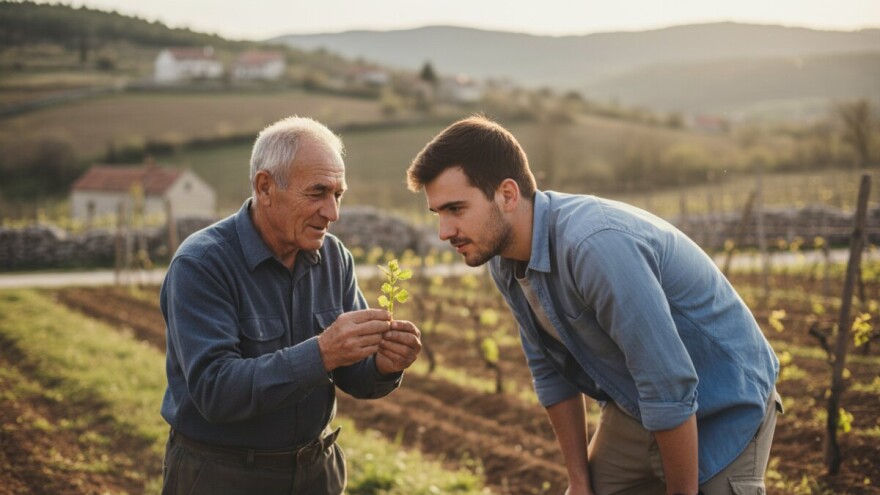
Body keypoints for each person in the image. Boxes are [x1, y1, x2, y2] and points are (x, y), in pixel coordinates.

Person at [406, 115, 780, 495]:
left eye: (456, 209)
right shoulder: (504, 262)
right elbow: (550, 372)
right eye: (439, 214)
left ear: (507, 194)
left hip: (723, 398)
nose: (444, 233)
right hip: (636, 402)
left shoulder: (594, 245)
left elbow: (668, 383)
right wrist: (579, 482)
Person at [160, 116, 421, 495]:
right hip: (223, 476)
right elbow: (215, 392)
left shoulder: (334, 258)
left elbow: (353, 375)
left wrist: (383, 365)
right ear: (265, 187)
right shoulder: (202, 264)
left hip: (317, 474)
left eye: (338, 194)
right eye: (317, 193)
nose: (333, 213)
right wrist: (322, 351)